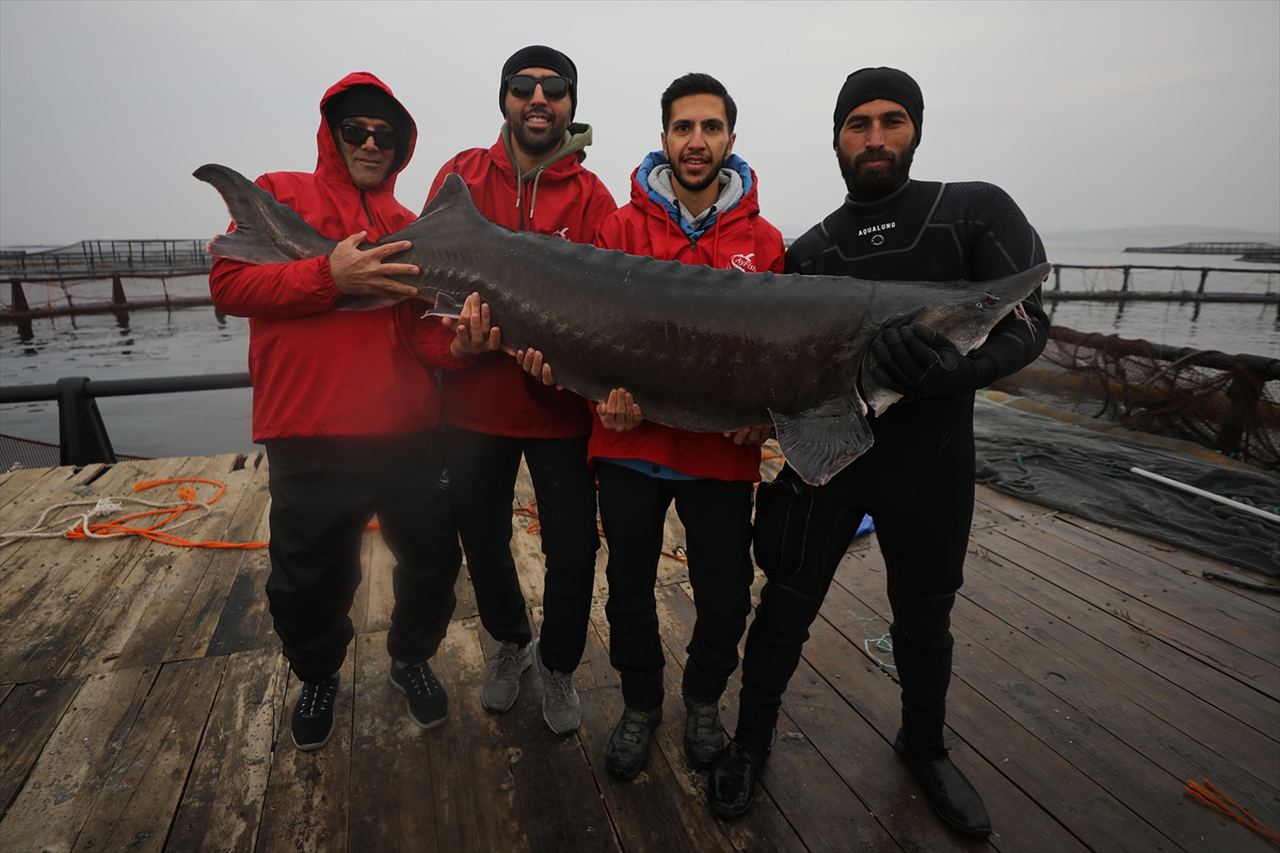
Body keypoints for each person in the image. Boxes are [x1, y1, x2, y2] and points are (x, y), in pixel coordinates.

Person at [708, 67, 1050, 837]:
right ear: (835, 137)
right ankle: (750, 739)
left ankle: (924, 745)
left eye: (891, 121)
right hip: (828, 456)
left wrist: (961, 369)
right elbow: (774, 364)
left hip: (931, 465)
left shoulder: (972, 210)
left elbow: (1027, 317)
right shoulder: (810, 249)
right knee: (784, 606)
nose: (874, 137)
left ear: (915, 129)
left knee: (925, 618)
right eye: (857, 123)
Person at [209, 72, 501, 752]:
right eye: (357, 131)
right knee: (308, 577)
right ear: (332, 134)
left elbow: (421, 334)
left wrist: (459, 346)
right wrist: (329, 276)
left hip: (408, 433)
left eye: (385, 135)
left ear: (401, 147)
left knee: (432, 563)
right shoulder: (282, 193)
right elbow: (228, 284)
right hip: (309, 430)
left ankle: (410, 657)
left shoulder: (409, 227)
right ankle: (317, 672)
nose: (372, 142)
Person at [522, 72, 783, 780]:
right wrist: (597, 402)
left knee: (727, 595)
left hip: (720, 457)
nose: (696, 142)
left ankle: (701, 701)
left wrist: (762, 416)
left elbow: (778, 357)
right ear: (663, 136)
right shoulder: (618, 229)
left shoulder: (764, 242)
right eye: (683, 128)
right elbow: (586, 333)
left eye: (711, 128)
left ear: (731, 137)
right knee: (629, 589)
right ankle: (641, 703)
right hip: (629, 446)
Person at [423, 46, 616, 735]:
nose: (539, 98)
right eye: (523, 87)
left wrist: (571, 366)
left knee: (573, 549)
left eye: (555, 88)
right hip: (474, 406)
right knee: (480, 534)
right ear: (504, 99)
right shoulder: (460, 179)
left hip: (560, 410)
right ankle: (512, 642)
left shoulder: (594, 199)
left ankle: (559, 663)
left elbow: (610, 316)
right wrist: (458, 346)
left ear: (571, 103)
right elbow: (422, 293)